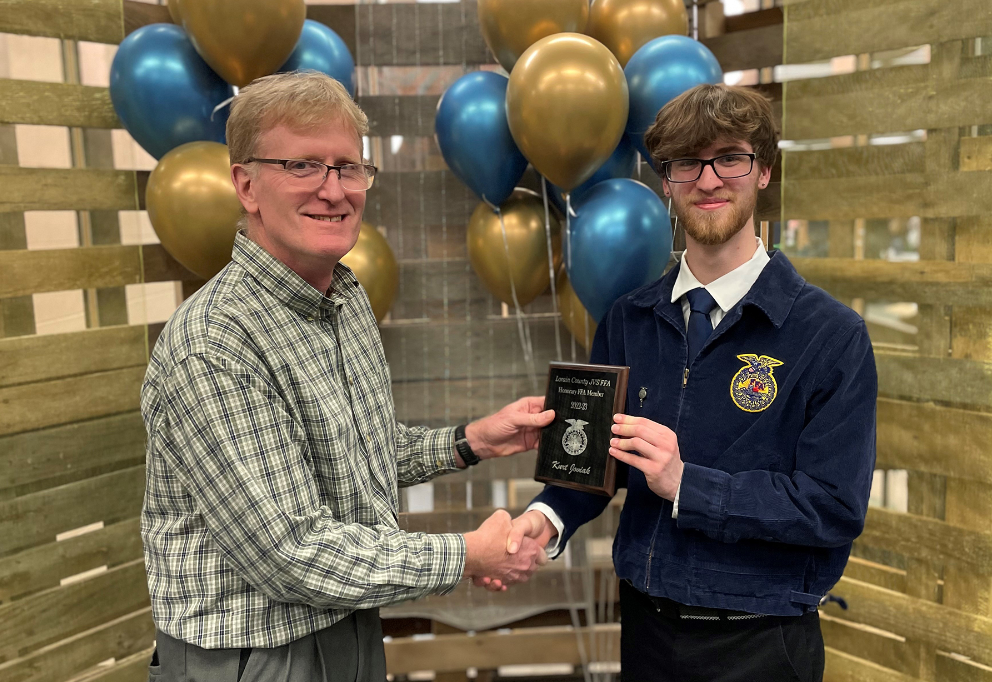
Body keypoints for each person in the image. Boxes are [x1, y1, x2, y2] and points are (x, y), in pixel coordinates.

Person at [140, 71, 553, 682]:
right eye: (302, 166)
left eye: (348, 167)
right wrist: (465, 555)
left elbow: (354, 457)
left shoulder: (342, 297)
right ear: (245, 184)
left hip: (349, 626)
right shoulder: (214, 344)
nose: (333, 191)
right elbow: (290, 553)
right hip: (252, 660)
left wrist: (472, 441)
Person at [506, 84, 878, 682]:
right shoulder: (629, 319)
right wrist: (544, 519)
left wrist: (688, 484)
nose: (708, 180)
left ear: (763, 172)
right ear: (666, 183)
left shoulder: (830, 335)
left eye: (729, 157)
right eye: (685, 162)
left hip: (761, 642)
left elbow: (833, 508)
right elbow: (593, 468)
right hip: (647, 633)